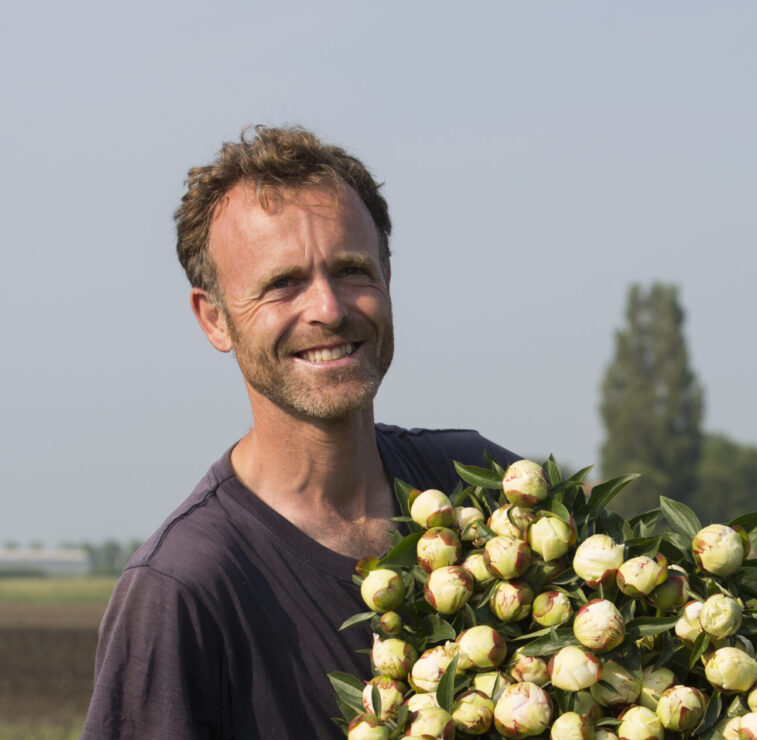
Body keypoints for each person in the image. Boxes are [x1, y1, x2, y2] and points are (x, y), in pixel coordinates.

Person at [81, 126, 518, 739]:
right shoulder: (185, 590)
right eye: (283, 283)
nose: (330, 310)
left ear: (388, 278)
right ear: (215, 318)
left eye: (351, 270)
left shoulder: (485, 486)